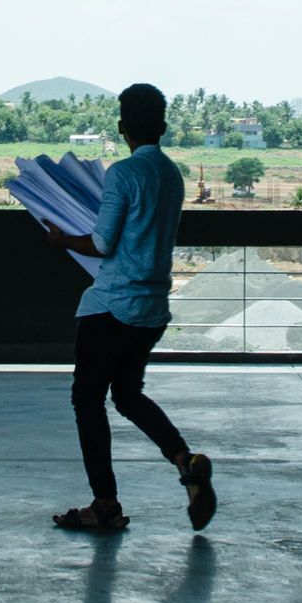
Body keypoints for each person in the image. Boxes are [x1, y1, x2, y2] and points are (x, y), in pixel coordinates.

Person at [46, 81, 217, 536]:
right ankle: (186, 462)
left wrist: (63, 240)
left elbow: (103, 242)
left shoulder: (123, 174)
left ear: (122, 128)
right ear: (162, 126)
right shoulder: (172, 174)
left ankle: (104, 505)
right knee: (126, 395)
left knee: (87, 401)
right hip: (152, 309)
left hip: (112, 306)